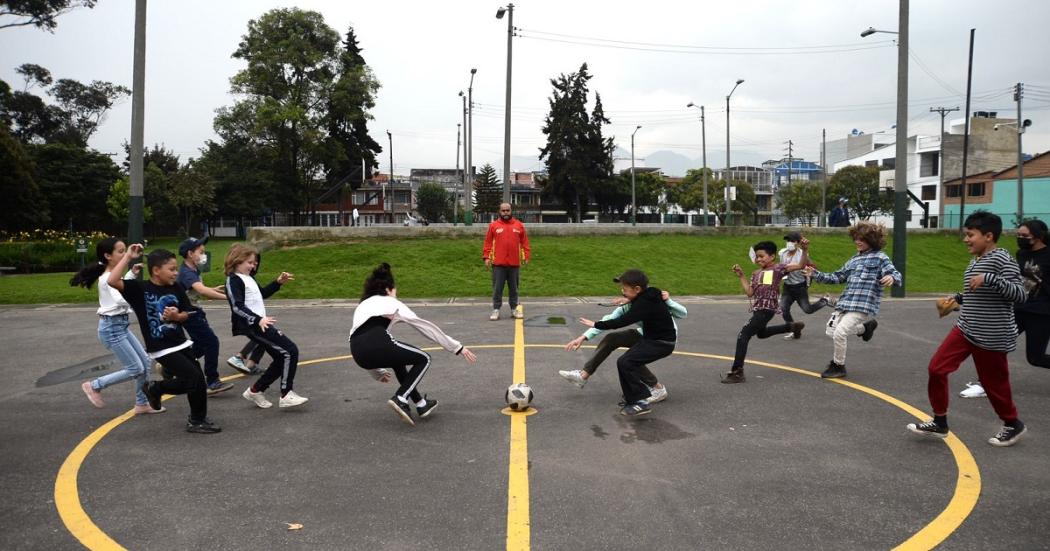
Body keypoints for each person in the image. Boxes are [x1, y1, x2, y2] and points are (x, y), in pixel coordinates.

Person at [907, 211, 1028, 447]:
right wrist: (957, 299)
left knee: (994, 384)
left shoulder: (1002, 258)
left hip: (992, 335)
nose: (966, 239)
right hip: (965, 328)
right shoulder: (977, 260)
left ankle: (1013, 424)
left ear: (989, 236)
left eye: (970, 235)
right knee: (937, 368)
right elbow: (978, 292)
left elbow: (1020, 294)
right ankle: (939, 422)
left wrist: (990, 279)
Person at [107, 245, 220, 434]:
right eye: (172, 269)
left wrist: (177, 317)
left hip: (180, 342)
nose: (176, 273)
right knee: (192, 378)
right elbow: (112, 280)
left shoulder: (175, 287)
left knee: (198, 379)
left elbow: (187, 312)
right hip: (160, 346)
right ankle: (156, 388)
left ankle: (197, 420)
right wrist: (128, 256)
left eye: (176, 269)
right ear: (156, 270)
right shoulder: (139, 289)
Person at [349, 263, 477, 426]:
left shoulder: (362, 305)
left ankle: (421, 404)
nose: (396, 294)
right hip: (376, 341)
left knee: (398, 361)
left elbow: (360, 341)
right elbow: (425, 327)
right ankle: (400, 398)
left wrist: (376, 372)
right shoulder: (390, 302)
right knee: (424, 358)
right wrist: (457, 347)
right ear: (388, 289)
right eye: (395, 290)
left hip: (357, 352)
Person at [70, 237, 164, 415]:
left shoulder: (113, 276)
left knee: (145, 361)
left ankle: (141, 403)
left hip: (120, 327)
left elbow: (121, 288)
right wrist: (145, 298)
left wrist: (131, 275)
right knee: (135, 368)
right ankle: (94, 385)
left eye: (124, 250)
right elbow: (122, 297)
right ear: (107, 256)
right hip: (111, 329)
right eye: (120, 251)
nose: (124, 254)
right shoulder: (106, 279)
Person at [959, 218, 1050, 398]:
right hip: (1019, 307)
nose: (1020, 238)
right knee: (993, 345)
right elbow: (1016, 282)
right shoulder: (1021, 254)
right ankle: (985, 383)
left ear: (1038, 237)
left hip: (1041, 312)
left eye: (1024, 235)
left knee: (1035, 358)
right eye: (1018, 235)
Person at [805, 222, 901, 379]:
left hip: (862, 305)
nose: (857, 241)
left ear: (872, 240)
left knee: (840, 333)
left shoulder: (880, 257)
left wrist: (891, 277)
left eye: (861, 239)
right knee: (830, 331)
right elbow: (837, 277)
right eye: (856, 238)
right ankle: (864, 329)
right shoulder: (854, 260)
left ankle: (838, 366)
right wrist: (815, 274)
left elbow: (895, 273)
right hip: (845, 303)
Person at [578, 269, 676, 417]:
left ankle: (639, 402)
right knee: (626, 362)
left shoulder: (644, 304)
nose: (622, 291)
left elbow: (622, 321)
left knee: (626, 362)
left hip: (661, 343)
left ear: (637, 289)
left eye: (625, 288)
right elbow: (643, 298)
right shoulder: (650, 294)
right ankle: (637, 397)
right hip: (652, 339)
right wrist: (629, 299)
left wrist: (596, 324)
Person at [560, 290, 687, 404]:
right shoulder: (625, 308)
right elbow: (608, 320)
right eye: (622, 292)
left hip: (661, 339)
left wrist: (669, 301)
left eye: (625, 292)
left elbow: (682, 314)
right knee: (612, 339)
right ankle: (583, 376)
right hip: (644, 334)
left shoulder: (651, 302)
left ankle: (657, 389)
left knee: (629, 360)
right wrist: (582, 337)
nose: (621, 296)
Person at [224, 244, 307, 409]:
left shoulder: (249, 278)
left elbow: (261, 294)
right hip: (253, 326)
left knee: (281, 357)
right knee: (290, 350)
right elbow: (237, 306)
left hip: (260, 323)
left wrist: (278, 283)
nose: (253, 266)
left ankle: (255, 390)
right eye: (249, 262)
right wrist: (257, 320)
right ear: (237, 261)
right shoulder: (233, 280)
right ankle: (286, 393)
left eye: (254, 263)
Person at [723, 241, 808, 384]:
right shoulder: (756, 273)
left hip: (767, 309)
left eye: (762, 256)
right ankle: (791, 327)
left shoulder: (778, 269)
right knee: (761, 334)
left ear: (772, 256)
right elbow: (750, 292)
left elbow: (800, 265)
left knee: (743, 335)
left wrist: (804, 250)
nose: (758, 259)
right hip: (759, 308)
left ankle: (737, 372)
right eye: (757, 257)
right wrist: (741, 276)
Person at [176, 236, 235, 395]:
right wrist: (230, 298)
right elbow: (201, 290)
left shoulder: (193, 269)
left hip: (194, 312)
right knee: (211, 343)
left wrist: (213, 289)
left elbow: (197, 289)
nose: (204, 255)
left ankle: (172, 366)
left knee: (200, 345)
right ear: (190, 253)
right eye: (201, 252)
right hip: (190, 314)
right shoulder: (187, 272)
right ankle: (212, 381)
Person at [779, 231, 832, 340]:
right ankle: (793, 330)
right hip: (787, 286)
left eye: (792, 241)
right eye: (788, 240)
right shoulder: (782, 253)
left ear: (798, 243)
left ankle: (825, 300)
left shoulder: (802, 254)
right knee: (783, 308)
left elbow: (804, 265)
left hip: (800, 287)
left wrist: (805, 250)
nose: (789, 243)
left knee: (807, 309)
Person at [483, 202, 531, 321]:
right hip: (498, 264)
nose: (505, 213)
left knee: (514, 288)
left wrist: (526, 256)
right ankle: (496, 310)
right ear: (499, 212)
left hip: (514, 264)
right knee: (497, 288)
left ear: (511, 211)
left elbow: (525, 242)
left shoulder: (519, 225)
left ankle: (514, 309)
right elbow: (488, 243)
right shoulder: (493, 226)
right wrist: (486, 257)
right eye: (503, 211)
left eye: (507, 210)